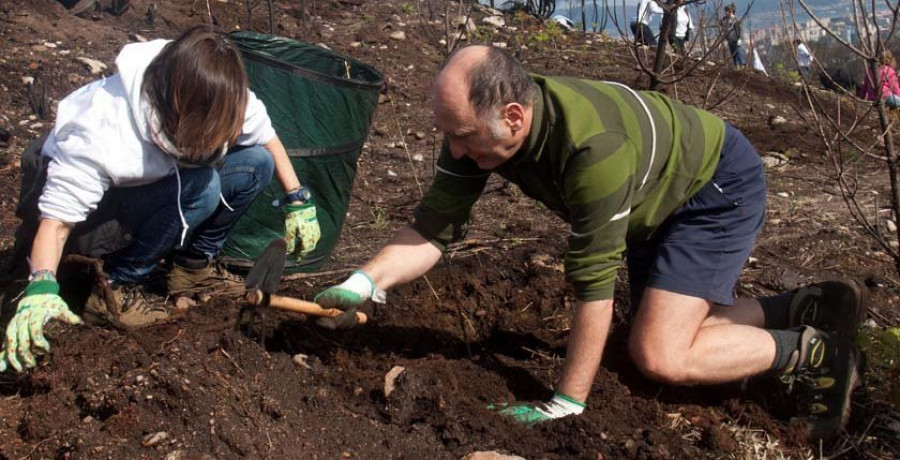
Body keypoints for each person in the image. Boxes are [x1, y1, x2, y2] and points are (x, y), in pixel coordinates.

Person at [315, 45, 865, 442]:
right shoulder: (480, 134)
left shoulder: (591, 150)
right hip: (656, 188)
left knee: (659, 354)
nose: (454, 150)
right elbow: (433, 228)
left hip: (713, 187)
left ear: (512, 116)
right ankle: (795, 307)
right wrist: (363, 282)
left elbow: (592, 282)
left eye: (461, 135)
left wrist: (566, 403)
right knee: (656, 329)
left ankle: (814, 353)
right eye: (448, 134)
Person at [0, 26, 321, 373]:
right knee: (203, 186)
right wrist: (41, 284)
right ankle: (115, 287)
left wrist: (297, 199)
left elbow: (267, 136)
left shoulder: (216, 90)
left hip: (161, 181)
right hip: (94, 215)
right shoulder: (103, 129)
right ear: (181, 108)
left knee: (256, 163)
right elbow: (58, 222)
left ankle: (191, 269)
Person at [721, 4, 745, 68]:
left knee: (739, 53)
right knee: (733, 54)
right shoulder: (724, 20)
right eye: (725, 11)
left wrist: (739, 38)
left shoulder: (735, 19)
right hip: (730, 40)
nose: (725, 12)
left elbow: (740, 29)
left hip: (736, 39)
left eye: (727, 11)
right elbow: (721, 25)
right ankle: (736, 66)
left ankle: (742, 66)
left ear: (730, 11)